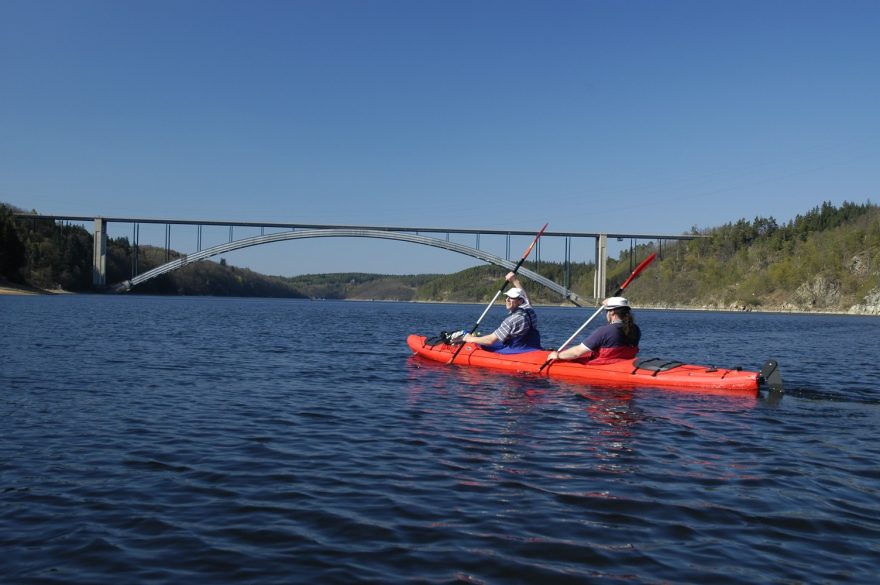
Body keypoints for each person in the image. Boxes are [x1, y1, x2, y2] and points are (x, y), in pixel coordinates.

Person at [462, 272, 542, 353]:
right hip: (532, 347)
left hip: (515, 350)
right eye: (507, 297)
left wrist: (470, 339)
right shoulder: (530, 311)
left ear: (520, 301)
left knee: (481, 344)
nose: (507, 300)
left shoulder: (511, 320)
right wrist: (514, 281)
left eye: (511, 298)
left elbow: (490, 340)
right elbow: (525, 297)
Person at [547, 296, 640, 364]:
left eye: (606, 311)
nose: (606, 314)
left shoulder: (605, 331)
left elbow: (577, 352)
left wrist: (558, 355)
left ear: (612, 312)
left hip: (603, 366)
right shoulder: (636, 329)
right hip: (623, 364)